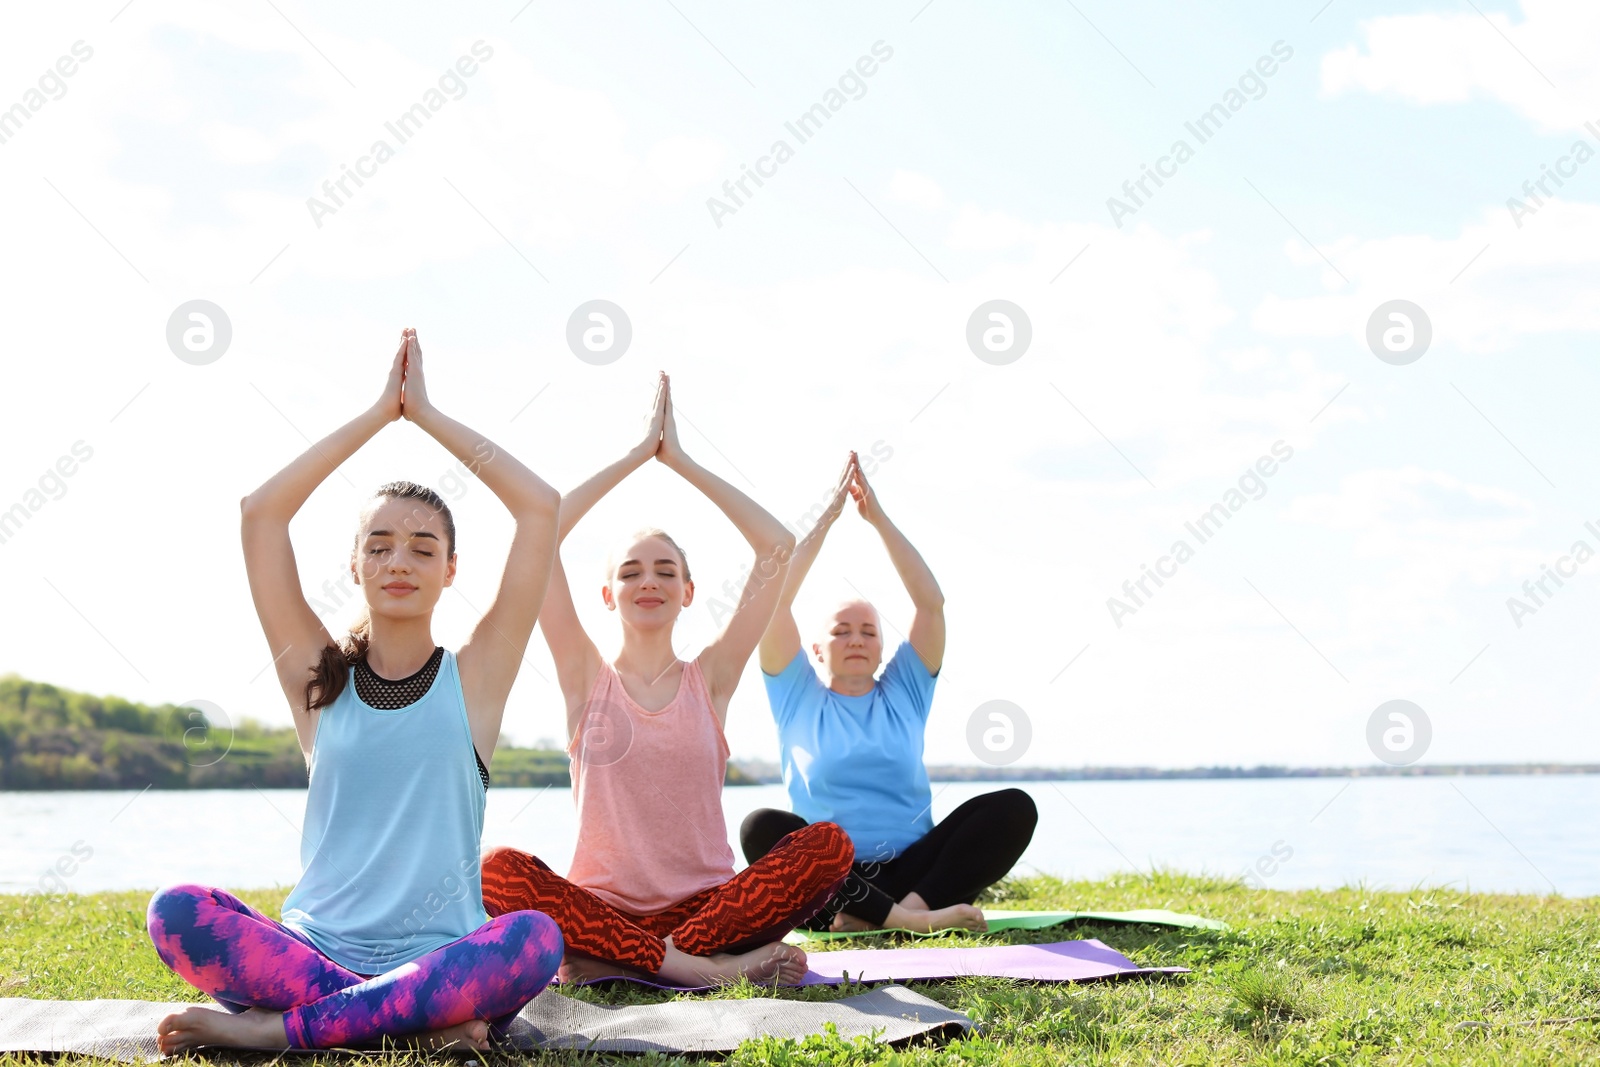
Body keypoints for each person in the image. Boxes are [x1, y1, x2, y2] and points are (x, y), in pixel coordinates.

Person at [145, 329, 565, 1054]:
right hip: (311, 959)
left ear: (451, 569)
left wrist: (424, 414)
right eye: (379, 545)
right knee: (176, 911)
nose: (399, 560)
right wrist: (379, 413)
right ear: (355, 564)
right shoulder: (317, 676)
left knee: (535, 938)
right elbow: (261, 514)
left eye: (422, 547)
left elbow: (539, 506)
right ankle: (410, 1022)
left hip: (438, 960)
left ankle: (280, 1032)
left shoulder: (477, 677)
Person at [480, 373, 853, 986]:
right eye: (630, 572)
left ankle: (650, 959)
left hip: (707, 912)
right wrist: (634, 457)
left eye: (664, 570)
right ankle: (705, 972)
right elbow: (538, 531)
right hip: (601, 911)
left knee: (829, 845)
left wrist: (679, 460)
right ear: (607, 594)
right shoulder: (582, 676)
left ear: (688, 591)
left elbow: (777, 548)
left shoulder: (713, 677)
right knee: (496, 868)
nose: (647, 581)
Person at [741, 452, 1037, 934]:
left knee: (1013, 807)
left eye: (868, 631)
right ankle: (906, 921)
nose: (856, 639)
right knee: (760, 827)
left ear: (883, 647)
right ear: (815, 649)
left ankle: (911, 912)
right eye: (842, 631)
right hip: (833, 886)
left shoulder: (906, 690)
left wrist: (877, 519)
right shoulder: (795, 693)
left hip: (915, 875)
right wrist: (828, 521)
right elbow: (774, 604)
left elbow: (930, 603)